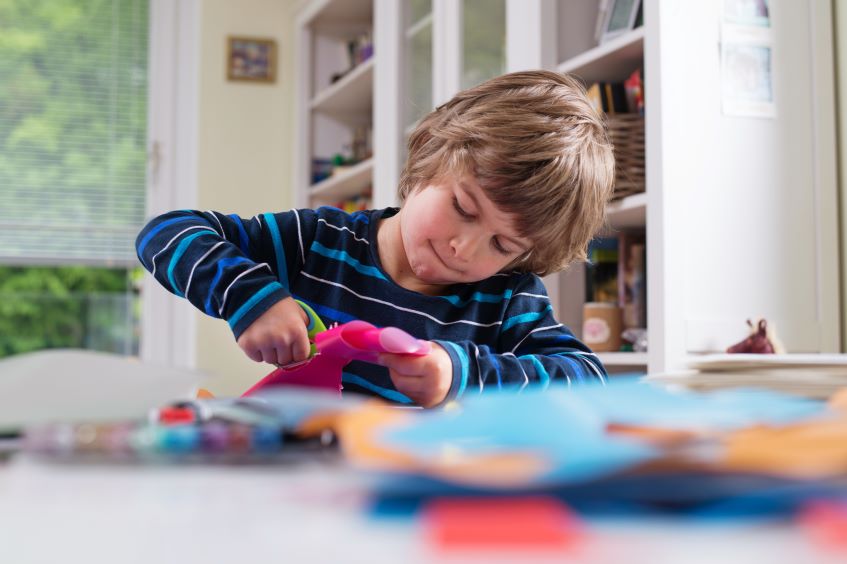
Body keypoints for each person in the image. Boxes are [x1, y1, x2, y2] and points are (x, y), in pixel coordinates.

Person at [136, 70, 615, 408]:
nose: (463, 250)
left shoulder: (508, 297)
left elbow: (587, 381)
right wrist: (250, 299)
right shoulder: (317, 242)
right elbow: (167, 232)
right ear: (429, 155)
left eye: (502, 246)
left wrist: (460, 373)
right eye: (463, 209)